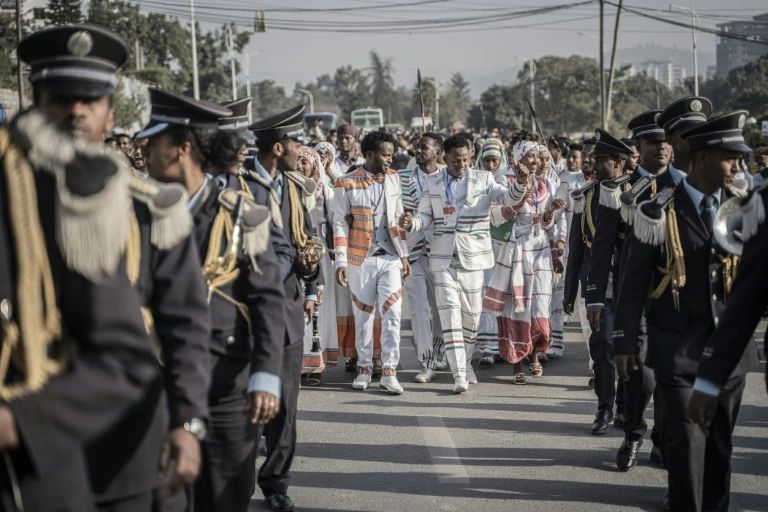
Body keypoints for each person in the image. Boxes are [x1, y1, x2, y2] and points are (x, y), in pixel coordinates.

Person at [0, 24, 161, 511]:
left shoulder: (64, 199)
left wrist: (19, 422)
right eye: (61, 98)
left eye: (87, 100)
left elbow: (128, 357)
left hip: (28, 472)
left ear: (110, 115)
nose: (74, 112)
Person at [613, 111, 757, 512]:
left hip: (729, 354)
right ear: (704, 158)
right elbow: (633, 284)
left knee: (719, 452)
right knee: (689, 445)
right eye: (731, 158)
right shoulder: (657, 211)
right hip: (677, 350)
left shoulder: (744, 210)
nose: (738, 167)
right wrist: (626, 340)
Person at [399, 135, 526, 393]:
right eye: (456, 160)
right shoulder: (433, 182)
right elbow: (425, 215)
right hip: (443, 259)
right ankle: (459, 375)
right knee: (449, 315)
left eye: (466, 159)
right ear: (445, 158)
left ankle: (466, 363)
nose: (462, 164)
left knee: (472, 317)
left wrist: (521, 184)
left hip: (474, 259)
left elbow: (507, 198)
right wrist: (412, 223)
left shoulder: (484, 178)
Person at [247, 104, 320, 512]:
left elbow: (307, 238)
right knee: (246, 404)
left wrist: (312, 278)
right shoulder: (238, 185)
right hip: (248, 312)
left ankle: (275, 483)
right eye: (295, 141)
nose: (300, 148)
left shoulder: (293, 186)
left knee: (285, 407)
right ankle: (237, 482)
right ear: (278, 147)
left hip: (289, 307)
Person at [333, 131, 411, 394]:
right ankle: (364, 369)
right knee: (364, 317)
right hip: (359, 260)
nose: (390, 160)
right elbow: (340, 223)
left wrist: (404, 255)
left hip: (390, 258)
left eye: (392, 155)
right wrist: (340, 262)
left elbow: (397, 215)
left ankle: (389, 371)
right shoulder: (345, 183)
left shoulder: (394, 178)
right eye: (385, 155)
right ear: (369, 154)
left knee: (393, 314)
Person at [484, 137, 565, 384]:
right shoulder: (503, 181)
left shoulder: (546, 184)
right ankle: (517, 362)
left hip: (539, 249)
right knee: (516, 307)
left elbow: (547, 223)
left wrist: (550, 213)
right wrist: (520, 189)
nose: (538, 161)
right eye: (531, 156)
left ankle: (535, 356)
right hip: (514, 251)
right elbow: (497, 216)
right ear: (518, 158)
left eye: (539, 157)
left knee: (539, 307)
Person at [578, 129, 635, 435]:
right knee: (603, 346)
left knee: (631, 348)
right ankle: (605, 407)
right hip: (603, 285)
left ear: (616, 162)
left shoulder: (639, 190)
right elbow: (588, 248)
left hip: (634, 284)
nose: (593, 163)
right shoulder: (588, 196)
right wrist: (590, 292)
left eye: (599, 159)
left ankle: (626, 406)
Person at [399, 133, 447, 381]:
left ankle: (439, 352)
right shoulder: (403, 179)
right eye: (417, 147)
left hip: (441, 252)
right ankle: (426, 361)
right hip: (412, 253)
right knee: (417, 308)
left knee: (441, 307)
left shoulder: (449, 178)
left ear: (438, 152)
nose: (418, 150)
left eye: (424, 147)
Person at [298, 145, 338, 384]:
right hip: (297, 251)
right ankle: (299, 362)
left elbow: (337, 222)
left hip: (319, 252)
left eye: (305, 161)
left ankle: (315, 366)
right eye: (298, 161)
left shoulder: (326, 193)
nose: (300, 166)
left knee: (318, 307)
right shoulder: (290, 190)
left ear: (315, 164)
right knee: (300, 305)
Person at [550, 143, 588, 358]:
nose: (572, 160)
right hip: (569, 233)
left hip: (586, 234)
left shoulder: (587, 180)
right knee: (566, 273)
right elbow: (559, 209)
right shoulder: (564, 179)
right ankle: (566, 306)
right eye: (570, 157)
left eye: (576, 157)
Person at [474, 138, 510, 367]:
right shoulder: (475, 181)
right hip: (481, 244)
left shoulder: (505, 182)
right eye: (486, 160)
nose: (490, 165)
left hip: (502, 245)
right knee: (484, 293)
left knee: (502, 294)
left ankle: (503, 344)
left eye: (494, 161)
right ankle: (487, 346)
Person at [657, 96, 713, 176]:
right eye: (690, 132)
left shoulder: (717, 184)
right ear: (670, 139)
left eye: (701, 131)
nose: (698, 137)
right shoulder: (654, 188)